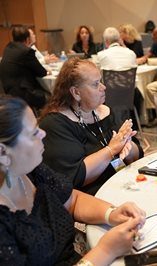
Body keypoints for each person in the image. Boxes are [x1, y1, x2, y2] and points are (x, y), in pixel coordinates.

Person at [0, 95, 146, 265]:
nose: (43, 133)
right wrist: (106, 250)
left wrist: (111, 213)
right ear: (3, 153)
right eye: (33, 133)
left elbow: (71, 200)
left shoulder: (31, 171)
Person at [39, 58, 144, 195]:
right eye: (96, 84)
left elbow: (138, 154)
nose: (103, 87)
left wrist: (127, 146)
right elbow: (76, 176)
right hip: (88, 198)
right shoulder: (55, 124)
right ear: (76, 92)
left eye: (100, 81)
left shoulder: (105, 111)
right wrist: (111, 149)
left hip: (122, 183)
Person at [0, 26, 49, 112]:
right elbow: (42, 72)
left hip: (8, 91)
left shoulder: (8, 48)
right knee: (52, 97)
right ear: (27, 38)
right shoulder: (26, 51)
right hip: (23, 93)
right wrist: (48, 71)